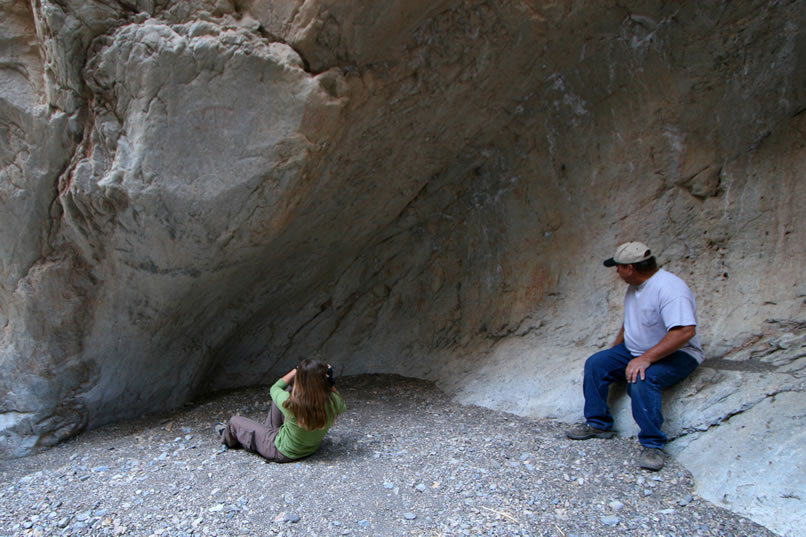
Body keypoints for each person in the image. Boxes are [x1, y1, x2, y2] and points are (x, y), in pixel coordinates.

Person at [565, 241, 703, 471]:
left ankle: (653, 444)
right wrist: (614, 351)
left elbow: (685, 332)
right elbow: (630, 323)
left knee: (642, 378)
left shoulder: (670, 289)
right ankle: (599, 424)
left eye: (618, 267)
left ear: (630, 268)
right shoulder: (636, 286)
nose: (616, 271)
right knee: (597, 363)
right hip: (637, 350)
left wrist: (646, 358)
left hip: (678, 354)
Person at [217, 359, 346, 462]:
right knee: (289, 390)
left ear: (300, 379)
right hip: (310, 448)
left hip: (280, 452)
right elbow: (336, 396)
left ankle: (229, 438)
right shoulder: (335, 402)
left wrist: (296, 370)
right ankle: (267, 432)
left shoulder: (290, 403)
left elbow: (275, 388)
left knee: (234, 421)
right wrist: (329, 381)